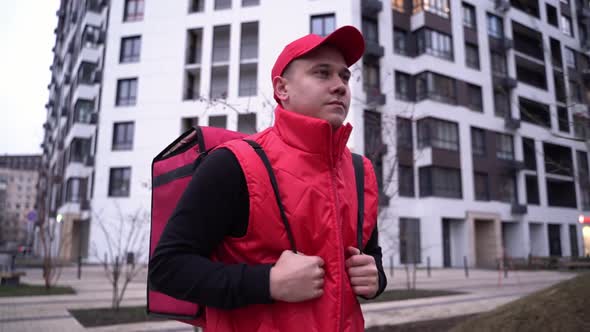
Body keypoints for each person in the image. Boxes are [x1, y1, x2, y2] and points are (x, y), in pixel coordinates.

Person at [149, 25, 387, 332]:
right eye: (322, 73)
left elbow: (370, 254)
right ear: (282, 89)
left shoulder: (360, 172)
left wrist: (376, 277)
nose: (340, 85)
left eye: (344, 76)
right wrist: (268, 282)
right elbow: (167, 268)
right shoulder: (234, 164)